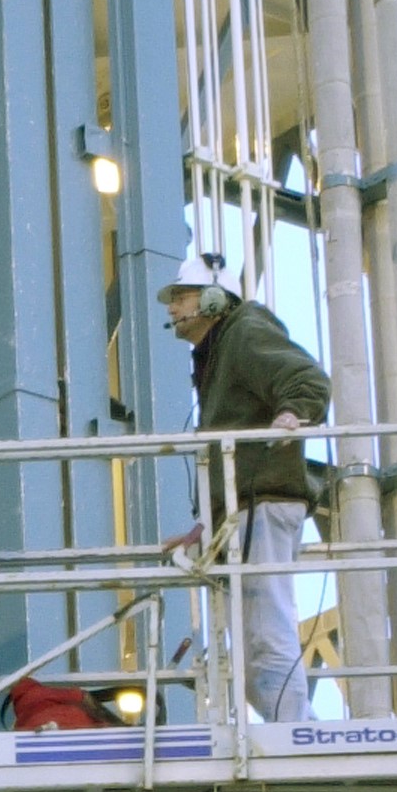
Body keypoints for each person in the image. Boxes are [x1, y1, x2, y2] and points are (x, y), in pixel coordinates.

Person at [159, 250, 329, 725]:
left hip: (263, 503)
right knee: (252, 658)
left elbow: (308, 380)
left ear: (214, 299)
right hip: (246, 508)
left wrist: (292, 414)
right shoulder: (221, 351)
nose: (172, 308)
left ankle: (295, 738)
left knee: (265, 639)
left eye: (181, 297)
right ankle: (298, 730)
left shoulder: (246, 330)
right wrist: (204, 526)